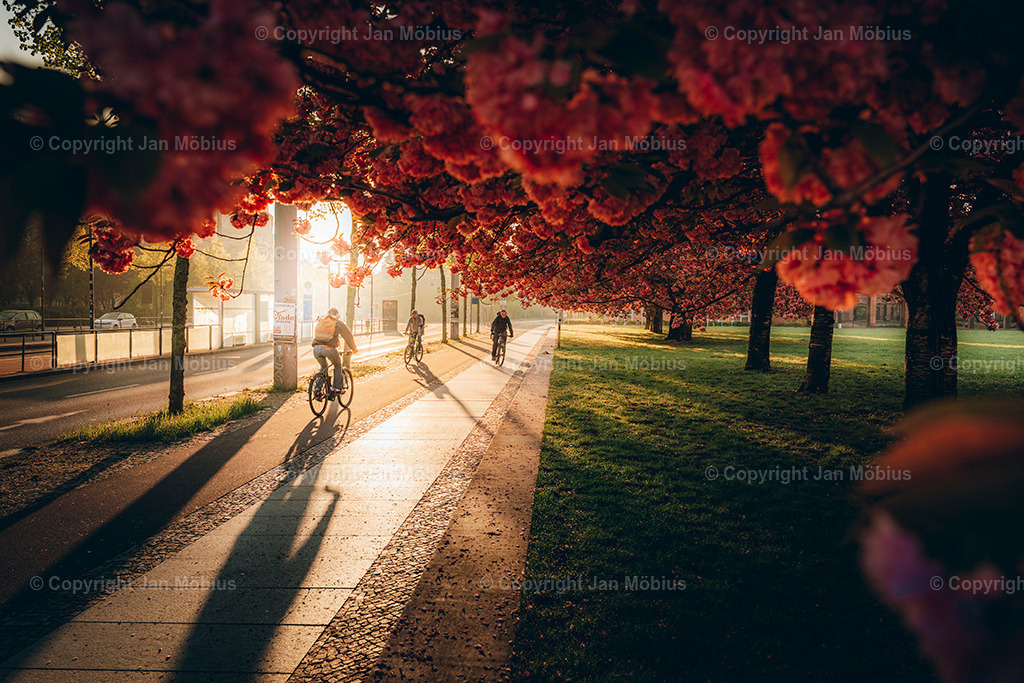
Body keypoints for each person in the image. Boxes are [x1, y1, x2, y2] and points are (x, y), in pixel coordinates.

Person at [312, 307, 358, 389]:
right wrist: (354, 348)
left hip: (316, 349)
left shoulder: (322, 321)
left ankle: (317, 388)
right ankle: (336, 387)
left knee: (323, 367)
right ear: (337, 316)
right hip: (329, 349)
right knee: (337, 365)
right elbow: (348, 336)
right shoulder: (338, 323)